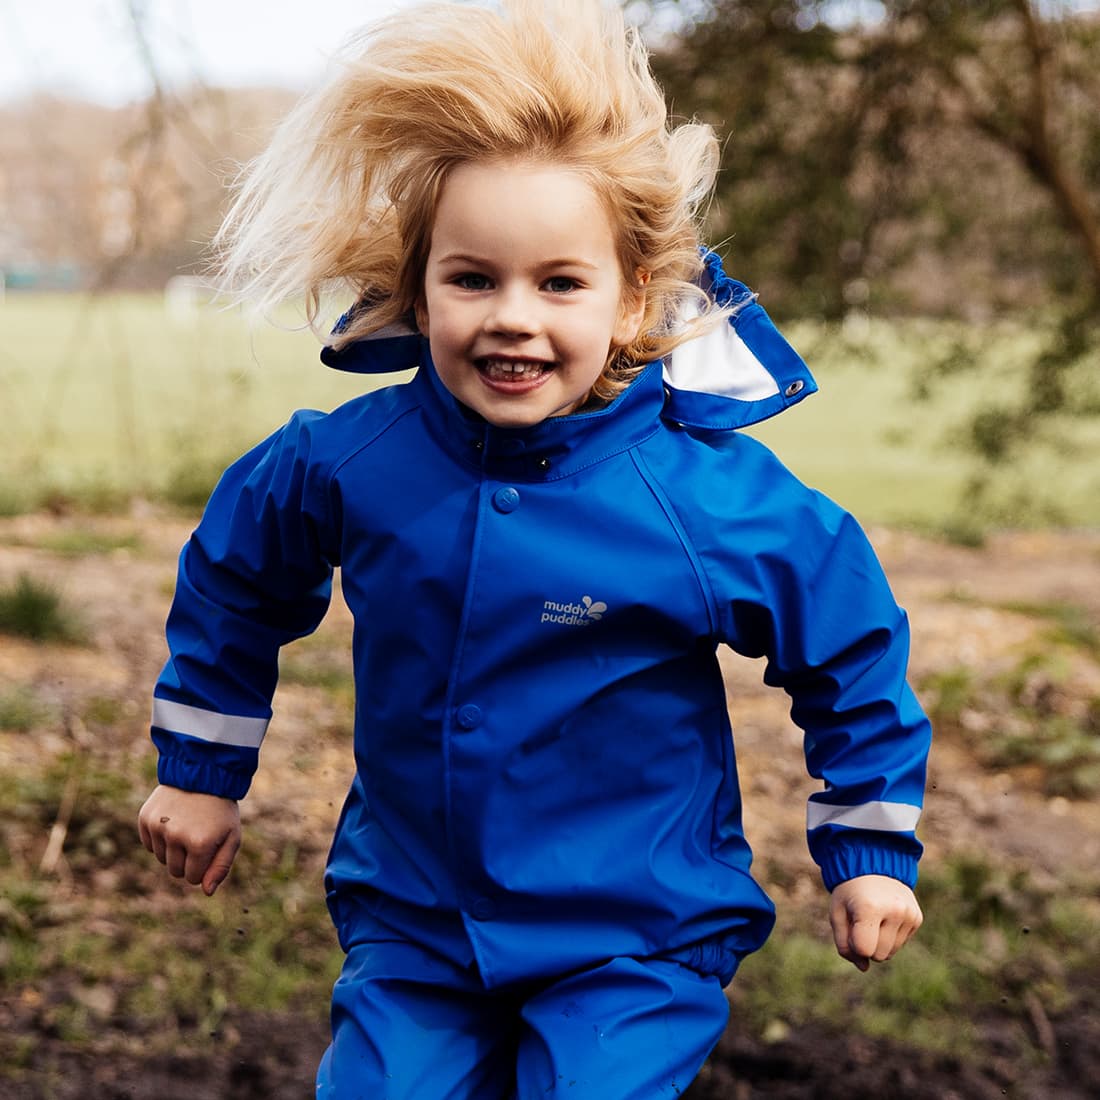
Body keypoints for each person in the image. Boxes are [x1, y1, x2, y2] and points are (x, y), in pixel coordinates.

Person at [137, 1, 931, 1096]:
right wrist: (201, 772)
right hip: (418, 918)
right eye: (474, 279)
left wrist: (869, 848)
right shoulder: (343, 462)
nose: (513, 316)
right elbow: (234, 579)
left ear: (631, 296)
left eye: (558, 282)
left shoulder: (706, 497)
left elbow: (850, 648)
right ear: (418, 289)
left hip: (634, 933)